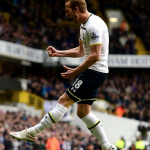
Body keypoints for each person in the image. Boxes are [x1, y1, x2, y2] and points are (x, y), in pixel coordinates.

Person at [10, 0, 117, 150]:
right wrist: (59, 53)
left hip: (94, 72)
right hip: (94, 72)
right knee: (83, 112)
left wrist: (76, 71)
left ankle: (32, 132)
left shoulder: (93, 26)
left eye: (67, 11)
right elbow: (81, 51)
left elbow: (95, 56)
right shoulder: (84, 25)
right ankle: (107, 145)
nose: (66, 14)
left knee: (63, 100)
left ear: (76, 9)